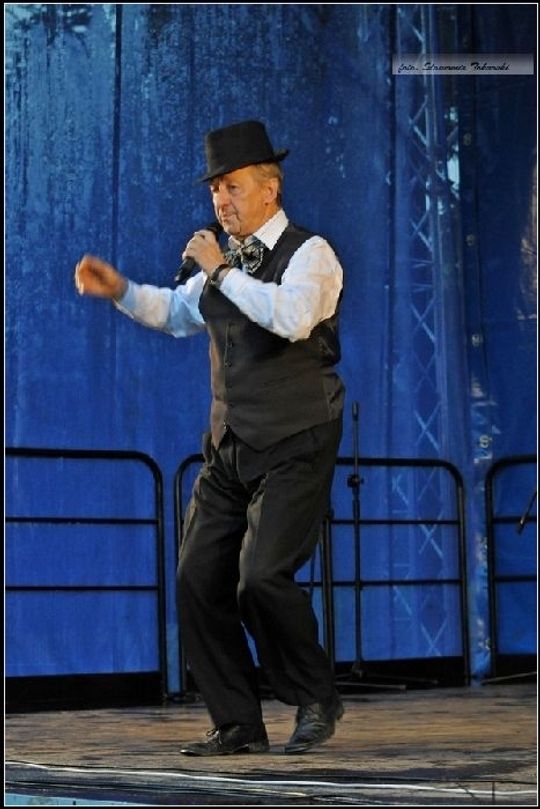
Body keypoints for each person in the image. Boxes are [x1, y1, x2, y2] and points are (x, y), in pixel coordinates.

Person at [75, 120, 346, 756]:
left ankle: (315, 697)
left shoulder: (311, 254)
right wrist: (120, 291)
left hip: (297, 436)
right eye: (215, 190)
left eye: (232, 187)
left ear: (270, 189)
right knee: (197, 578)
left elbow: (291, 318)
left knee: (261, 577)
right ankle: (237, 723)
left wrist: (220, 270)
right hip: (231, 442)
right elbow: (174, 312)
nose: (221, 201)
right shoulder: (223, 268)